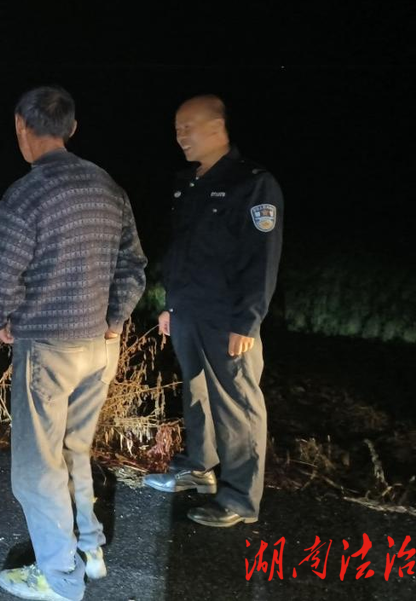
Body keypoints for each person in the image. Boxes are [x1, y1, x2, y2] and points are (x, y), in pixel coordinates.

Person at [0, 86, 147, 601]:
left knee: (36, 469)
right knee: (75, 449)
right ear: (71, 129)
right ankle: (89, 550)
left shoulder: (26, 194)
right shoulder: (107, 187)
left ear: (19, 126)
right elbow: (133, 266)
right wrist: (115, 319)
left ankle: (60, 578)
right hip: (99, 346)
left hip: (49, 348)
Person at [144, 94, 283, 528]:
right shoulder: (187, 182)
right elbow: (181, 250)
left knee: (238, 404)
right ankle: (198, 468)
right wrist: (170, 305)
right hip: (188, 310)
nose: (180, 135)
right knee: (196, 392)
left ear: (218, 127)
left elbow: (262, 257)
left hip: (227, 317)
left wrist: (248, 319)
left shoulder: (253, 183)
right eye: (176, 128)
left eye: (188, 126)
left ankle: (240, 498)